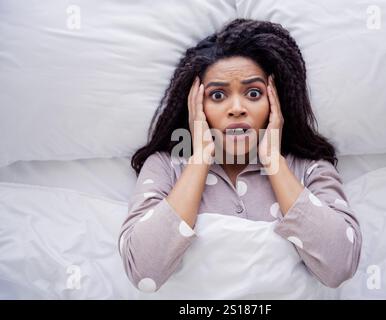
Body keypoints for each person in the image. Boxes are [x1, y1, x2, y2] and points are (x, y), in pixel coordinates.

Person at [118, 18, 362, 293]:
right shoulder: (166, 166)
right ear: (196, 105)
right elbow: (143, 271)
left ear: (276, 101)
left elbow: (340, 265)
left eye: (254, 93)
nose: (236, 108)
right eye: (218, 95)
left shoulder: (308, 168)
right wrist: (199, 160)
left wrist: (272, 161)